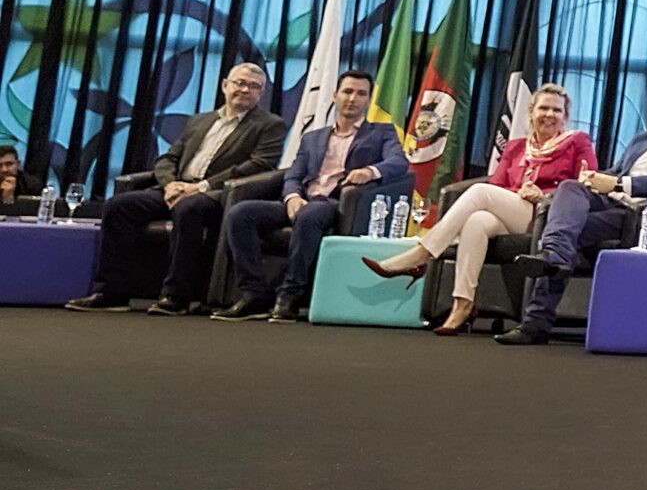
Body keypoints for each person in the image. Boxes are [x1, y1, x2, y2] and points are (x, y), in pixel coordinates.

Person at [495, 82, 647, 346]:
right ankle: (553, 256)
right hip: (612, 202)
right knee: (570, 189)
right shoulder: (644, 140)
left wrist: (619, 184)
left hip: (645, 215)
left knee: (565, 233)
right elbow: (617, 171)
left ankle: (535, 322)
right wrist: (594, 178)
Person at [358, 84, 597, 335]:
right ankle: (463, 304)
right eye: (544, 108)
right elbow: (498, 186)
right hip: (514, 209)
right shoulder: (516, 147)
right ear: (531, 112)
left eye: (556, 110)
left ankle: (422, 253)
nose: (549, 114)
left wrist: (544, 195)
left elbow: (585, 184)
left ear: (565, 116)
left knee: (479, 193)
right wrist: (519, 192)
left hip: (548, 216)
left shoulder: (577, 142)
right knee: (477, 221)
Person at [67, 63, 286, 314]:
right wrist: (170, 184)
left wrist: (201, 187)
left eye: (254, 86)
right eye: (240, 83)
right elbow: (169, 158)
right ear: (225, 85)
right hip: (176, 188)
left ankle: (175, 296)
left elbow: (258, 165)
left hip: (216, 195)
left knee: (188, 208)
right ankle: (111, 292)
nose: (245, 90)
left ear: (261, 94)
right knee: (119, 206)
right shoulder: (200, 121)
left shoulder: (270, 124)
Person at [214, 71, 411, 323]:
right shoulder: (313, 137)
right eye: (347, 92)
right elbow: (293, 174)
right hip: (303, 199)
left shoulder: (381, 133)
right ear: (335, 95)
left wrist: (370, 171)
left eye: (361, 94)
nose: (353, 98)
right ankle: (254, 293)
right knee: (240, 213)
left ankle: (290, 295)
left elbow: (398, 162)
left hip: (336, 204)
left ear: (369, 100)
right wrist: (292, 197)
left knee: (309, 214)